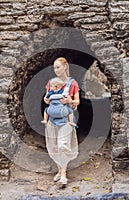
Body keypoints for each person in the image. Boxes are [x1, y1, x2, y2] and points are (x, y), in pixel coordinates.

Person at [43, 57, 80, 186]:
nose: (56, 70)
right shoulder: (51, 82)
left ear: (65, 66)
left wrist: (69, 100)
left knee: (62, 145)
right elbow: (46, 97)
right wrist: (46, 100)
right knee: (54, 147)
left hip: (65, 120)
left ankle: (64, 175)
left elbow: (77, 102)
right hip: (52, 120)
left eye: (58, 67)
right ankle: (59, 171)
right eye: (54, 68)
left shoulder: (73, 83)